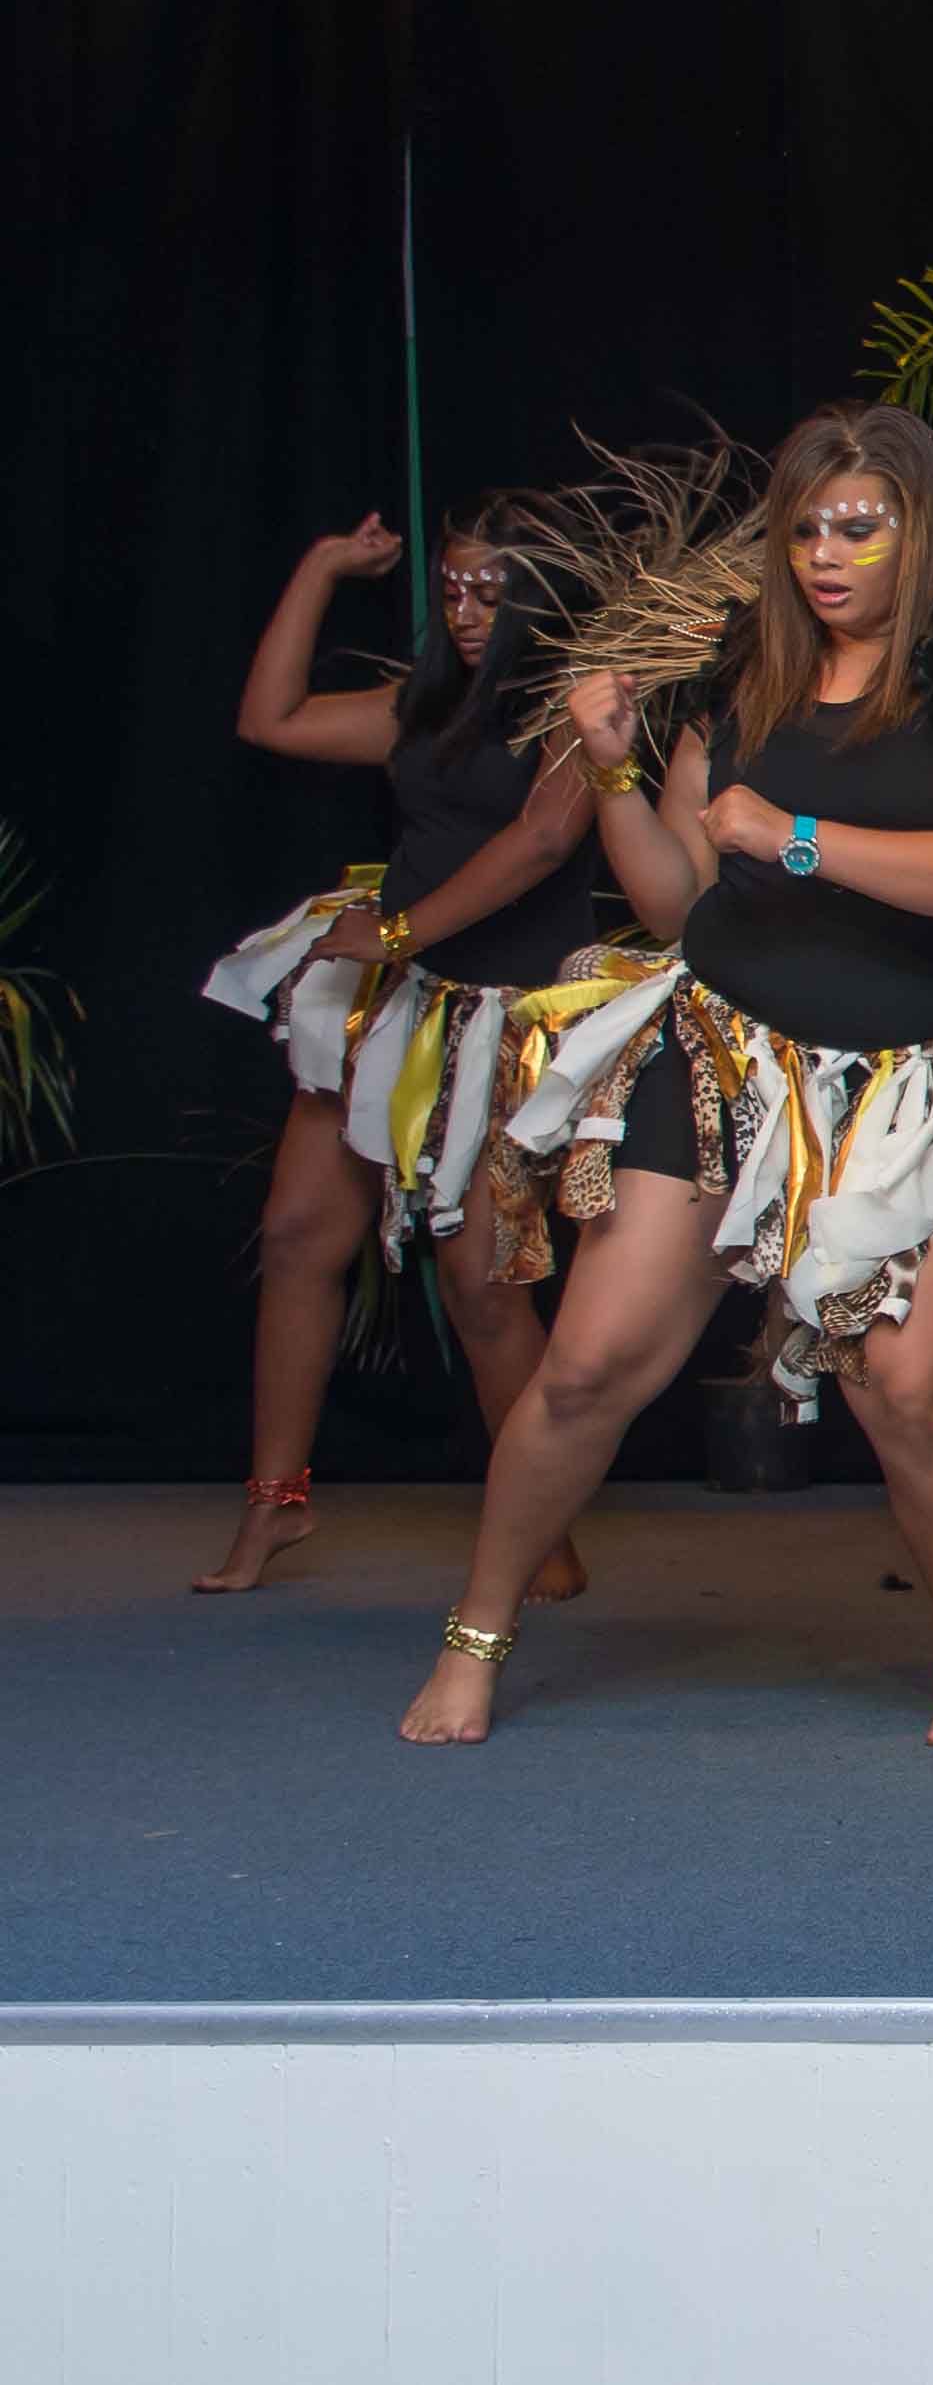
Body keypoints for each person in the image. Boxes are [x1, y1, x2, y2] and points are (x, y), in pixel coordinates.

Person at [397, 404, 933, 1748]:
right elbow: (675, 896)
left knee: (910, 1392)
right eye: (806, 528)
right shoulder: (741, 683)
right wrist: (612, 772)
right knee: (588, 1365)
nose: (827, 554)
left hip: (900, 1090)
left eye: (859, 528)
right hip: (721, 1060)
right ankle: (474, 1634)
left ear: (920, 534)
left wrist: (797, 835)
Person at [196, 497, 600, 1599]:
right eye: (451, 588)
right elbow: (272, 718)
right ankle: (276, 1502)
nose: (465, 611)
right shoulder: (425, 704)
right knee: (297, 1234)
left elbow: (546, 838)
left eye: (491, 592)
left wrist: (403, 928)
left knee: (481, 1287)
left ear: (541, 598)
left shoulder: (576, 703)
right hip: (398, 1003)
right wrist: (325, 567)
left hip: (505, 1016)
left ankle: (544, 1528)